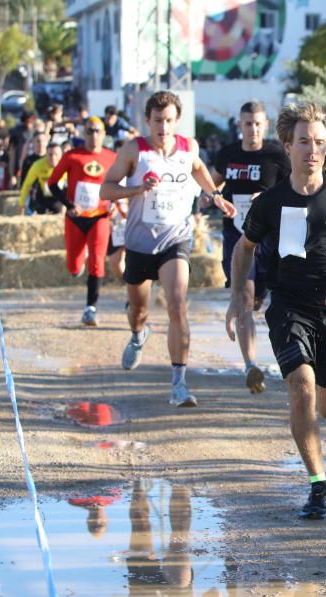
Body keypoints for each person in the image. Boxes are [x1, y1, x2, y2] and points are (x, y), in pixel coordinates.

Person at [225, 101, 326, 519]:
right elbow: (244, 249)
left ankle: (314, 424)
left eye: (319, 142)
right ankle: (318, 483)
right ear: (287, 146)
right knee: (301, 387)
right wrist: (238, 293)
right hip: (289, 305)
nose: (312, 150)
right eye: (303, 142)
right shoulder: (270, 202)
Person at [100, 91, 235, 407]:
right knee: (139, 311)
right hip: (138, 244)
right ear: (148, 121)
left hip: (175, 238)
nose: (163, 127)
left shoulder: (188, 147)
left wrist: (215, 195)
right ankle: (137, 335)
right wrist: (137, 189)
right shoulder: (135, 149)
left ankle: (179, 383)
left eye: (169, 120)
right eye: (158, 121)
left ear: (177, 121)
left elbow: (199, 168)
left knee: (177, 304)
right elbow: (106, 189)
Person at [212, 101, 291, 394]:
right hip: (237, 236)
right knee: (244, 299)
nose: (253, 129)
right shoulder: (228, 154)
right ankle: (250, 365)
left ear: (266, 125)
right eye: (248, 124)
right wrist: (215, 197)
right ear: (240, 125)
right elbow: (212, 184)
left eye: (258, 124)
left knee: (258, 299)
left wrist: (267, 196)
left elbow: (292, 188)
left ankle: (258, 301)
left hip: (270, 238)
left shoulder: (276, 155)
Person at [47, 117, 117, 326]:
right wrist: (68, 205)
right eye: (90, 131)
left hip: (100, 216)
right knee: (74, 265)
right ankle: (77, 266)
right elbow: (52, 183)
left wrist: (114, 201)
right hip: (76, 218)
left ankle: (90, 309)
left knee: (97, 262)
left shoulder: (112, 157)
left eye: (97, 131)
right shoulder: (72, 156)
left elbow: (121, 183)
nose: (94, 135)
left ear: (104, 134)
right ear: (83, 133)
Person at [20, 142, 66, 215]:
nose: (53, 158)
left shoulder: (66, 164)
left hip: (59, 196)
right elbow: (26, 185)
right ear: (46, 154)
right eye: (50, 155)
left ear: (61, 155)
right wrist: (21, 205)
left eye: (56, 155)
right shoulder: (38, 165)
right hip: (43, 195)